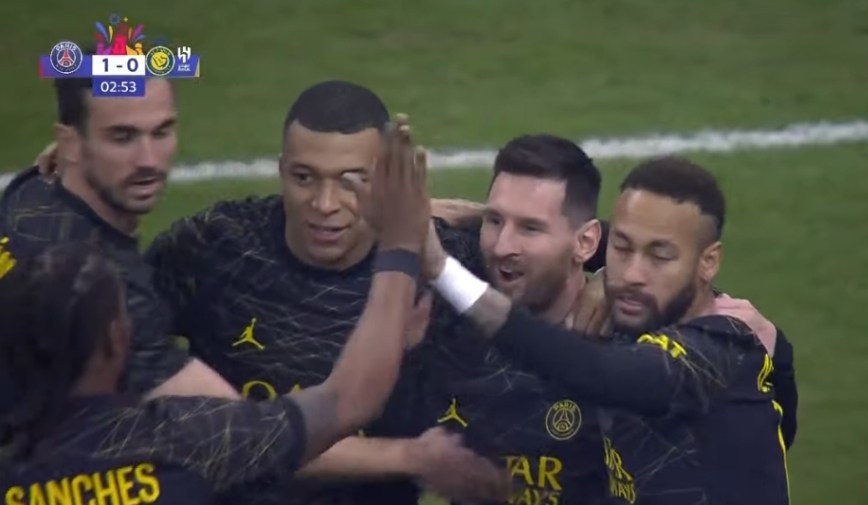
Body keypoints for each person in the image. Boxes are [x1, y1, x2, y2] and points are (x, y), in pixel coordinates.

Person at [13, 76, 505, 503]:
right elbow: (246, 434)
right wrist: (410, 456)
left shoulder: (29, 200)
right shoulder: (210, 247)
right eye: (305, 178)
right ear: (282, 171)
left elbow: (548, 277)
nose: (326, 204)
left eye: (353, 181)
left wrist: (488, 219)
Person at [420, 156, 794, 505]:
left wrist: (442, 271)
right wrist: (480, 217)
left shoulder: (717, 350)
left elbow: (601, 374)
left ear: (708, 262)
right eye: (622, 249)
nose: (632, 274)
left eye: (659, 256)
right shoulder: (642, 317)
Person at [0, 73, 236, 399]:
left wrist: (90, 149)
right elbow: (233, 421)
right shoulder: (102, 293)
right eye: (122, 137)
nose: (148, 161)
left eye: (161, 132)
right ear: (70, 143)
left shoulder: (31, 191)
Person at [427, 134, 610, 505]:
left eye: (530, 228)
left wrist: (617, 274)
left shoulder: (623, 338)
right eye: (495, 220)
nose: (502, 247)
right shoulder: (452, 293)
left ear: (585, 243)